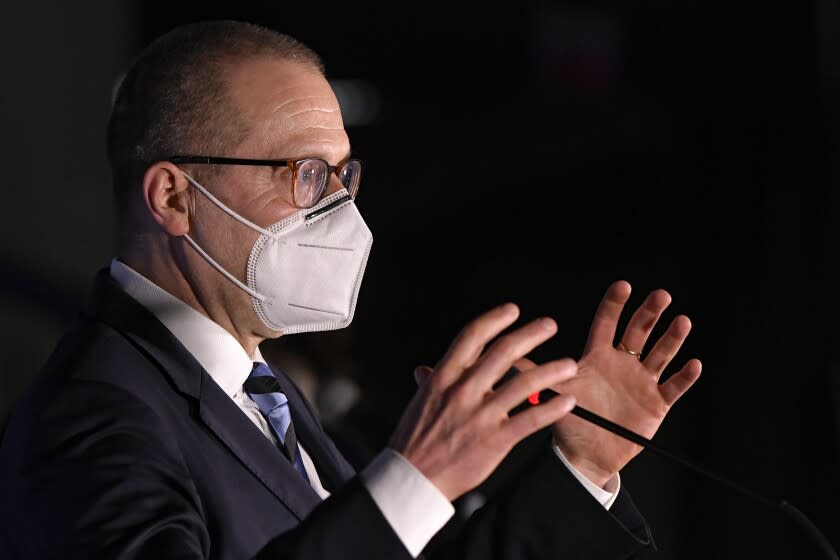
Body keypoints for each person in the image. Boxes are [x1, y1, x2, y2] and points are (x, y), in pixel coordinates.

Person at [0, 20, 702, 559]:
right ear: (175, 198)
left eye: (344, 175)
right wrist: (417, 477)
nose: (339, 208)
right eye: (305, 173)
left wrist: (580, 467)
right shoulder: (91, 413)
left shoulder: (267, 396)